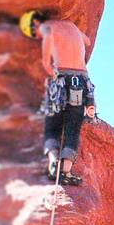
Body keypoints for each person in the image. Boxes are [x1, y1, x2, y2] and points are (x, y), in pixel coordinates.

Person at [21, 10, 96, 186]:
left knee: (52, 126)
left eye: (33, 34)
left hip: (62, 78)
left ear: (35, 24)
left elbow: (46, 63)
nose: (37, 37)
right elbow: (87, 41)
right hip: (82, 82)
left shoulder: (46, 29)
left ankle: (54, 162)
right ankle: (66, 171)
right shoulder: (72, 27)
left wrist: (54, 76)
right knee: (73, 127)